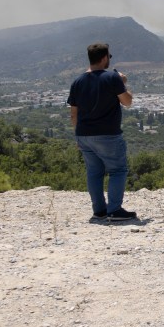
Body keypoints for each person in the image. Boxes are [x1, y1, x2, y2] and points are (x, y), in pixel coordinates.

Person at [67, 43, 136, 221]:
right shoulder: (112, 78)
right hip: (108, 134)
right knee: (118, 170)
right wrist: (122, 83)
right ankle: (114, 210)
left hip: (84, 134)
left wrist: (78, 136)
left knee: (94, 172)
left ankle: (99, 210)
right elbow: (127, 102)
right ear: (104, 58)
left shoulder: (77, 82)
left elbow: (73, 114)